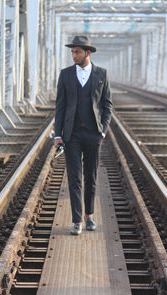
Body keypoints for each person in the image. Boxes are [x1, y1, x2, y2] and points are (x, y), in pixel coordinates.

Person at [54, 36, 113, 235]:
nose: (73, 55)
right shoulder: (66, 74)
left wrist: (103, 130)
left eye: (77, 52)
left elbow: (107, 105)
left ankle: (89, 215)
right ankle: (77, 220)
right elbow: (60, 106)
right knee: (74, 178)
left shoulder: (102, 74)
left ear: (87, 53)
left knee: (91, 176)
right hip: (71, 134)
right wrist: (57, 134)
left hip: (93, 134)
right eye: (72, 52)